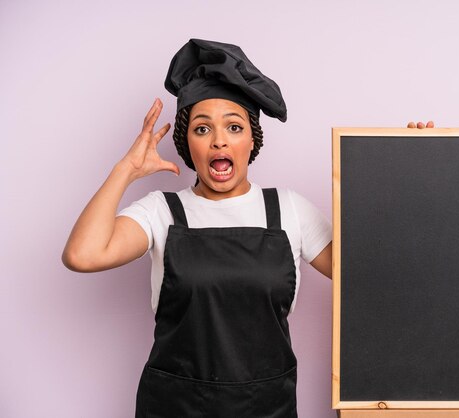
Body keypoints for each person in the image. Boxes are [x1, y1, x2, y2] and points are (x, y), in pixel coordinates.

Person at [62, 39, 433, 418]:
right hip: (174, 407)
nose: (219, 139)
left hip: (266, 407)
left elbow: (371, 273)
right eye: (202, 129)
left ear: (252, 139)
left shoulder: (288, 208)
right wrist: (125, 170)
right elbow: (82, 255)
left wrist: (405, 164)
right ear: (186, 143)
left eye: (234, 127)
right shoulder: (162, 211)